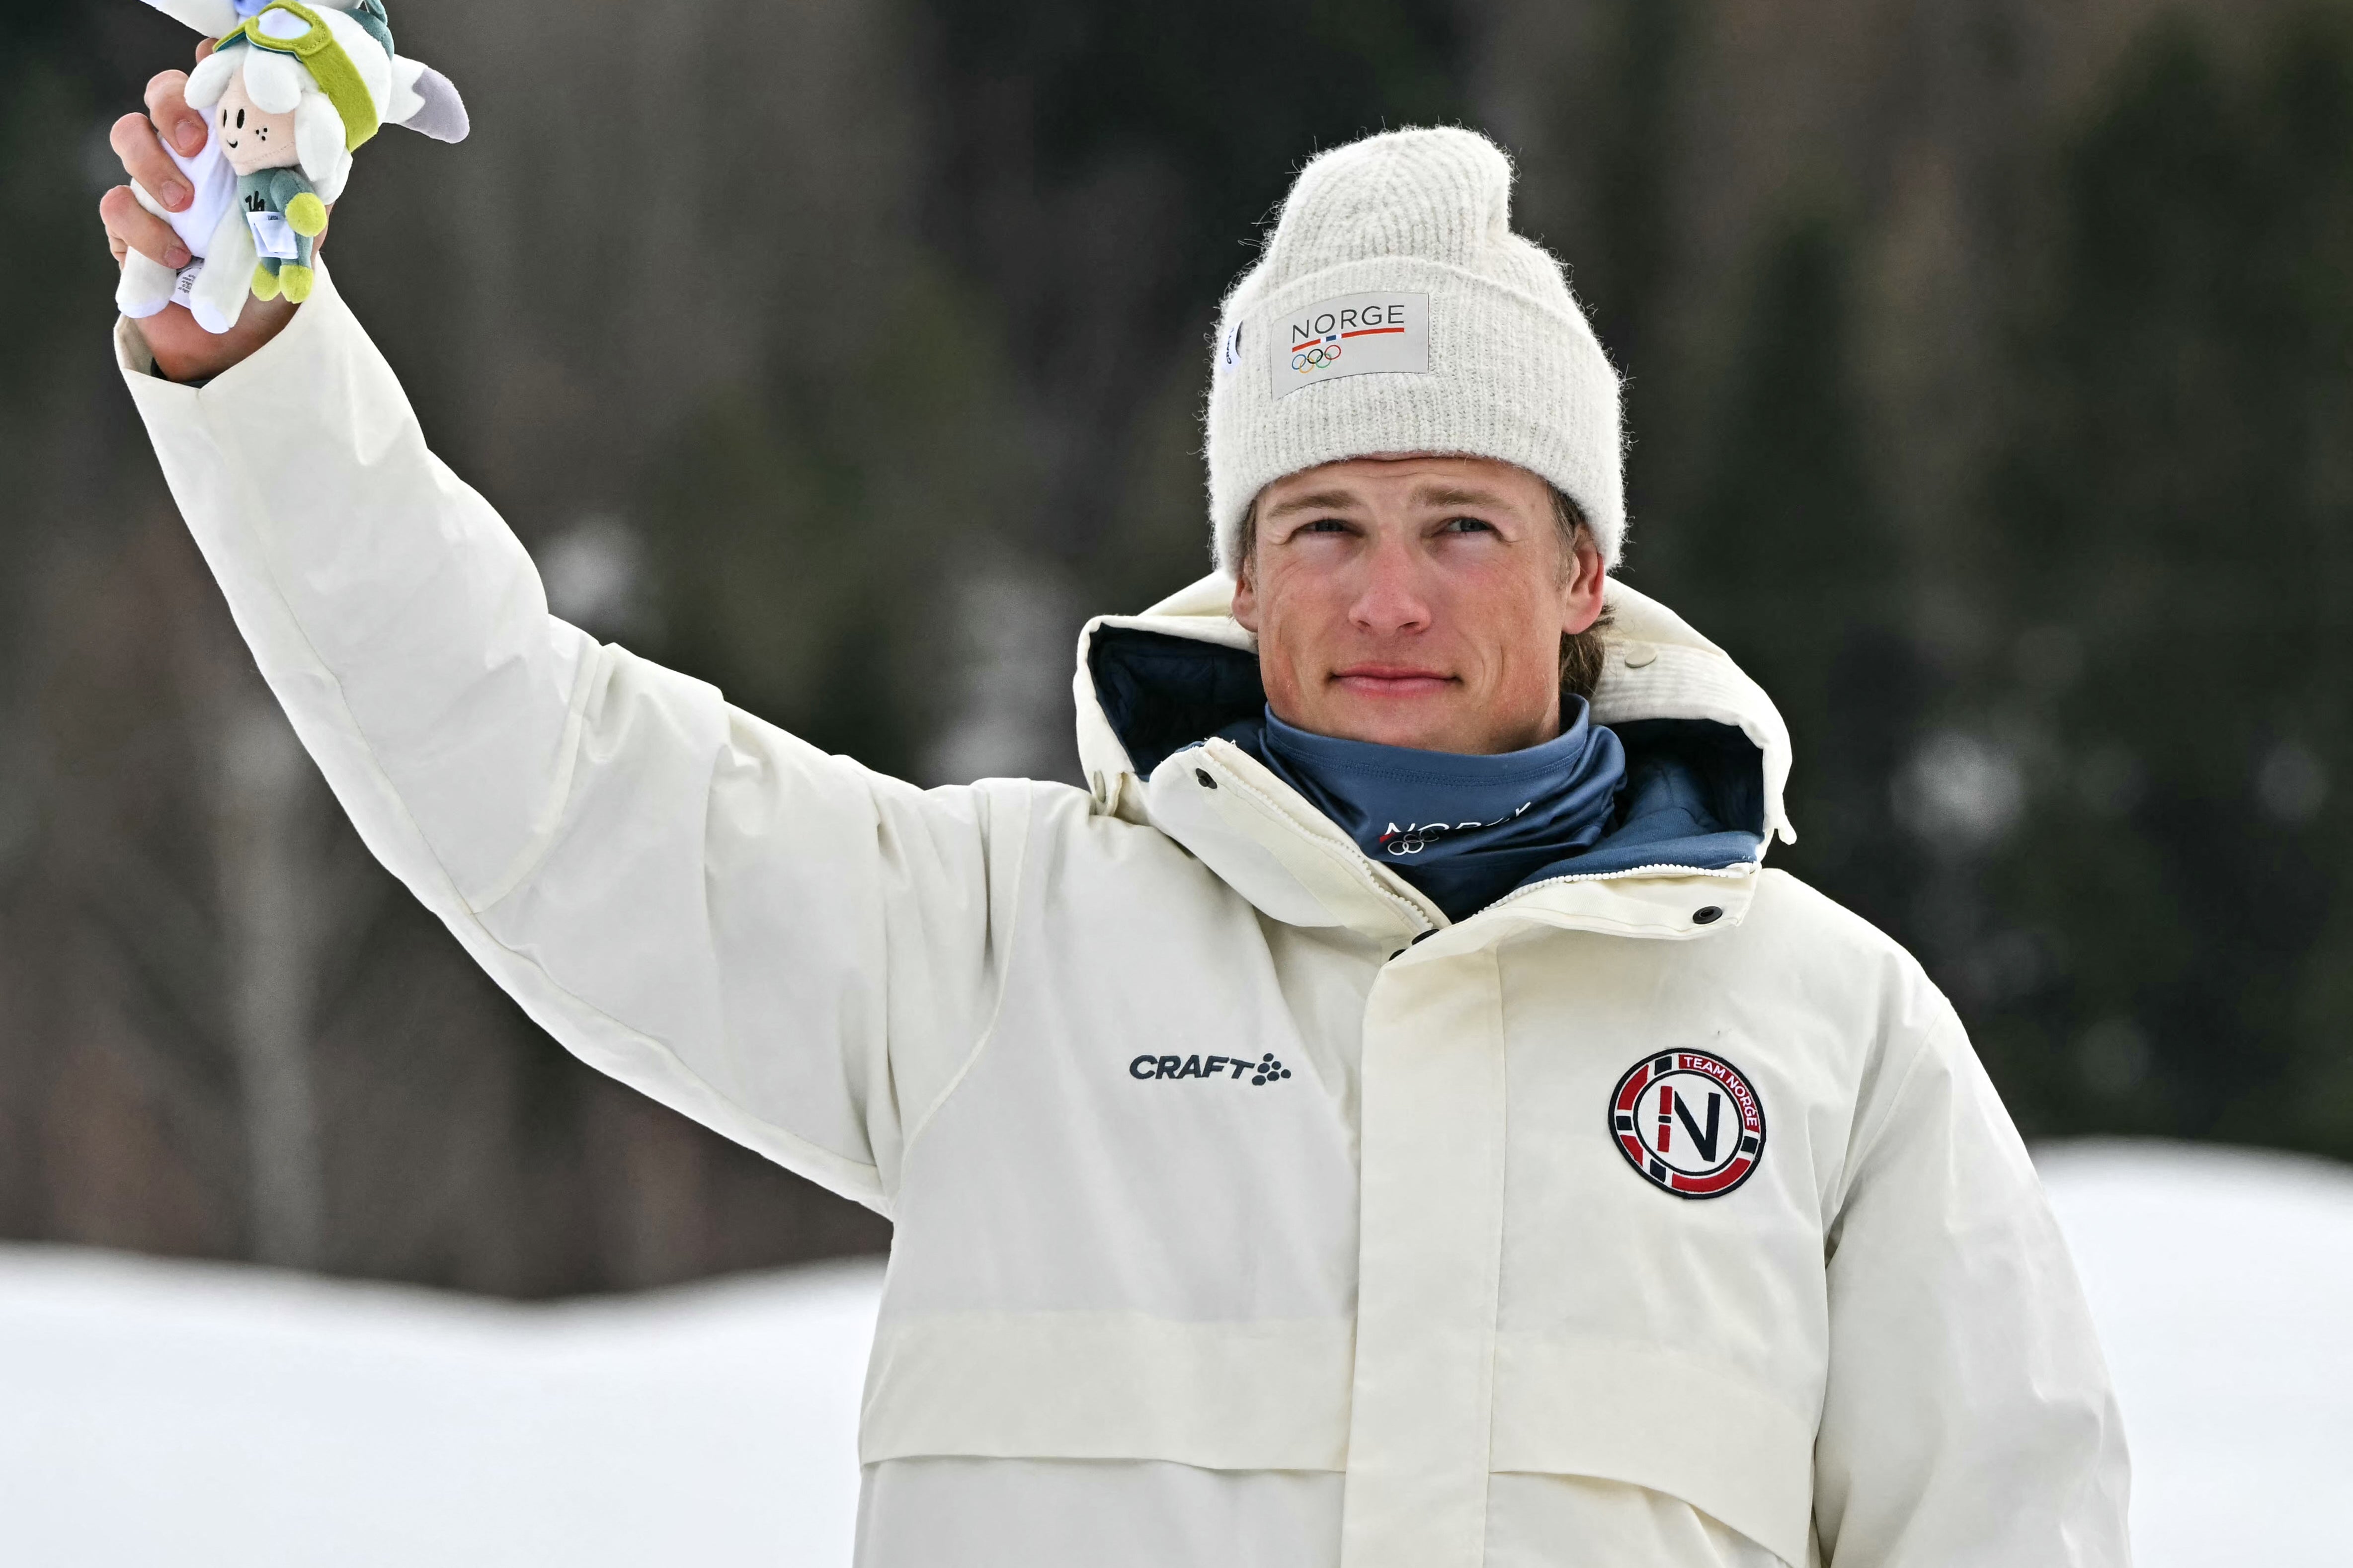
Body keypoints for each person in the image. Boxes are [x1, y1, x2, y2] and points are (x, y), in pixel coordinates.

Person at [100, 59, 2130, 1568]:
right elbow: (534, 777)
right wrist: (266, 377)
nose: (1388, 594)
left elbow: (2005, 1527)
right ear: (1240, 585)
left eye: (1460, 525)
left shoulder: (1824, 1036)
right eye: (1321, 526)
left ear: (1584, 569)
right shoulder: (996, 943)